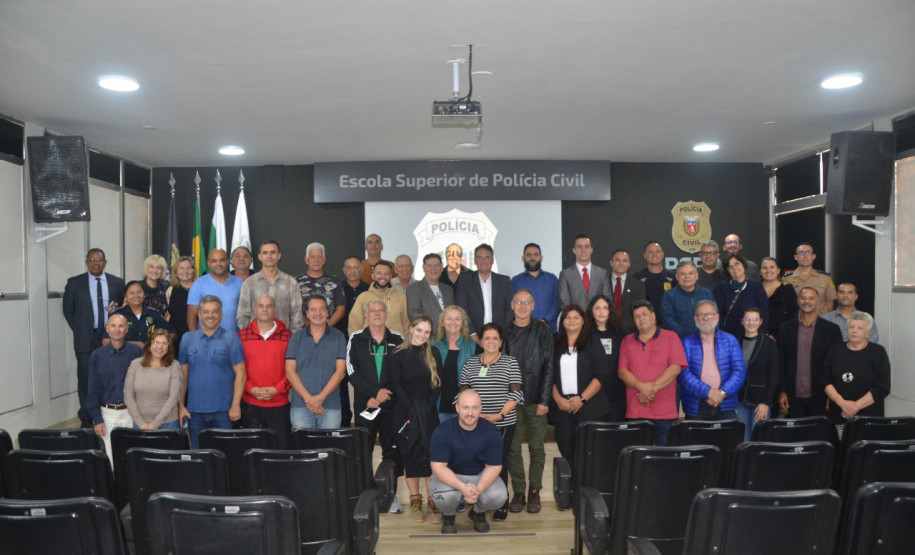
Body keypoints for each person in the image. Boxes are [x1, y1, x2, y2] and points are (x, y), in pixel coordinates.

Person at [458, 323, 523, 522]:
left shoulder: (510, 362)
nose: (491, 342)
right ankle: (479, 503)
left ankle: (501, 503)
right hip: (474, 424)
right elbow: (463, 392)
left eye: (495, 338)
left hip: (502, 423)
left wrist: (498, 416)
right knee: (476, 464)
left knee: (497, 464)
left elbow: (516, 394)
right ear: (481, 341)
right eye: (487, 338)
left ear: (501, 342)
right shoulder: (470, 363)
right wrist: (471, 415)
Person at [346, 298, 405, 512]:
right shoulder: (356, 338)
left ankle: (391, 498)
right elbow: (352, 372)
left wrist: (383, 395)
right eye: (373, 310)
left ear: (387, 315)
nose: (377, 313)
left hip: (391, 406)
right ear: (366, 315)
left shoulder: (398, 338)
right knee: (363, 452)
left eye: (381, 310)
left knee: (392, 453)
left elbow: (401, 372)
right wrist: (373, 393)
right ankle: (366, 499)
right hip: (365, 406)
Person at [430, 388, 509, 534]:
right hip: (451, 476)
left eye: (474, 408)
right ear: (457, 408)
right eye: (466, 407)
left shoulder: (492, 432)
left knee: (499, 496)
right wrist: (462, 487)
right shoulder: (442, 432)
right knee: (445, 497)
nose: (470, 413)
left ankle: (478, 513)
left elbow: (494, 467)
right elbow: (438, 468)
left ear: (480, 409)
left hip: (480, 476)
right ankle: (448, 516)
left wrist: (477, 490)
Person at [503, 289, 553, 514]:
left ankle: (534, 491)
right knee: (512, 449)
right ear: (512, 305)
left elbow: (549, 366)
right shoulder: (504, 331)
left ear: (533, 306)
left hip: (536, 400)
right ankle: (519, 491)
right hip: (511, 401)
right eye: (519, 302)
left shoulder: (543, 330)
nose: (523, 306)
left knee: (536, 448)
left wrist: (544, 399)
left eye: (527, 302)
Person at [63, 247, 126, 427]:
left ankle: (107, 412)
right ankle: (86, 417)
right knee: (85, 377)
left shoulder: (117, 283)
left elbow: (121, 308)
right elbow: (68, 310)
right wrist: (81, 328)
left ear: (104, 263)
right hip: (85, 337)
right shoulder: (74, 283)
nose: (95, 263)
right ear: (86, 263)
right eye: (91, 260)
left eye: (98, 260)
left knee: (111, 374)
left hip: (110, 337)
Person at [389, 316, 443, 523]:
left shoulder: (434, 353)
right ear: (411, 329)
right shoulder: (398, 355)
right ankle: (415, 501)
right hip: (404, 413)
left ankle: (433, 500)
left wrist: (427, 408)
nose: (422, 335)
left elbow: (438, 385)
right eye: (419, 330)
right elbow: (396, 385)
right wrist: (411, 409)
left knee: (431, 457)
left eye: (427, 332)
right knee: (410, 456)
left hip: (428, 413)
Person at [178, 295, 246, 448]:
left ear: (221, 314)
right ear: (199, 314)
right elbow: (183, 375)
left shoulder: (231, 339)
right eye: (206, 312)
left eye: (215, 311)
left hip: (224, 411)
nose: (210, 315)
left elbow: (241, 374)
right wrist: (181, 405)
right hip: (195, 411)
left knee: (224, 457)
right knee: (198, 456)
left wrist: (236, 405)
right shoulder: (187, 339)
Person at [618, 300, 687, 446]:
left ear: (653, 316)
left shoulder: (671, 337)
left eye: (644, 314)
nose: (641, 318)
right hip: (636, 411)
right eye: (636, 316)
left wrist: (651, 389)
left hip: (664, 412)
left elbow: (675, 368)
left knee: (665, 459)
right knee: (638, 459)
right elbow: (622, 372)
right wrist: (642, 387)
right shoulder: (626, 341)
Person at [551, 304, 613, 465]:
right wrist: (558, 399)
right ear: (562, 321)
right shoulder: (554, 341)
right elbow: (548, 374)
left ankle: (586, 490)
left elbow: (602, 374)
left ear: (583, 321)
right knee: (567, 452)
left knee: (590, 455)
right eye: (567, 317)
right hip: (563, 408)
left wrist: (582, 399)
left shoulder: (593, 341)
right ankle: (570, 489)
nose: (571, 321)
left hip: (590, 408)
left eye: (576, 317)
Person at [777, 287, 844, 418]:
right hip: (792, 396)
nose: (807, 301)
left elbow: (837, 365)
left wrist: (834, 395)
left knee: (818, 435)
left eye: (811, 298)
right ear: (798, 301)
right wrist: (782, 391)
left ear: (818, 302)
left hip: (821, 395)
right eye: (803, 298)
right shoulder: (786, 328)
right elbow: (781, 362)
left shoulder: (831, 330)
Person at [238, 294, 293, 448]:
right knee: (253, 451)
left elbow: (293, 370)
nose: (265, 309)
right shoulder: (242, 336)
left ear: (275, 310)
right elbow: (237, 370)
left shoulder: (288, 336)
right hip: (251, 404)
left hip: (279, 404)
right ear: (255, 309)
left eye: (269, 306)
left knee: (280, 449)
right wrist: (250, 389)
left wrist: (278, 389)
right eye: (261, 306)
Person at [86, 313, 143, 460]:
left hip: (131, 414)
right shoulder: (97, 355)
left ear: (126, 330)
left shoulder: (136, 352)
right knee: (110, 460)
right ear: (107, 329)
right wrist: (97, 419)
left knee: (132, 458)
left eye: (121, 326)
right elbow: (92, 389)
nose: (117, 329)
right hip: (107, 415)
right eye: (113, 325)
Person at [285, 295, 347, 429]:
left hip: (330, 407)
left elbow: (340, 372)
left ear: (327, 312)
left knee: (328, 449)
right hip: (301, 406)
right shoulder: (296, 338)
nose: (318, 313)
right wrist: (309, 399)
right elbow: (290, 372)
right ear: (306, 313)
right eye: (313, 309)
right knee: (303, 448)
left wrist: (320, 398)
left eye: (322, 309)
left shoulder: (339, 337)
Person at [679, 300, 746, 421]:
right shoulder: (686, 342)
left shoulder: (730, 340)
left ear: (717, 316)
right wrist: (708, 392)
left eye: (709, 314)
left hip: (725, 404)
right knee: (696, 440)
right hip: (696, 406)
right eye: (701, 315)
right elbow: (684, 374)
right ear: (695, 318)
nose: (705, 318)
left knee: (728, 440)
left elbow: (739, 371)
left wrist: (722, 393)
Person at [823, 311, 891, 427]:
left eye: (860, 328)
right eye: (851, 327)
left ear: (868, 332)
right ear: (847, 329)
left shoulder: (878, 352)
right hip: (838, 413)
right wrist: (842, 403)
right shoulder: (835, 350)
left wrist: (855, 407)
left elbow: (882, 387)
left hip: (869, 418)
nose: (854, 331)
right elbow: (825, 379)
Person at [236, 240, 303, 333]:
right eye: (265, 253)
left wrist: (291, 339)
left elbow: (296, 317)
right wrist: (250, 338)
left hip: (284, 342)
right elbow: (242, 316)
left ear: (279, 256)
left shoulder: (291, 283)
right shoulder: (249, 283)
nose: (269, 256)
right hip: (255, 341)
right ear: (260, 257)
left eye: (273, 252)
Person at [124, 328, 183, 431]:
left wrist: (154, 424)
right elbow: (128, 395)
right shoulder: (135, 364)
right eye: (156, 342)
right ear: (149, 344)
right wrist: (140, 423)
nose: (159, 347)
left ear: (169, 347)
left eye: (164, 343)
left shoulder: (174, 366)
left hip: (168, 424)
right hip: (140, 424)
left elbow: (174, 397)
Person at [736, 307, 778, 441]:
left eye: (755, 319)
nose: (751, 323)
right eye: (747, 319)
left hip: (760, 401)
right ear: (742, 321)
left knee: (758, 439)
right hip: (740, 401)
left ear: (760, 322)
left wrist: (766, 403)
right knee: (742, 440)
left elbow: (774, 375)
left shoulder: (769, 344)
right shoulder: (736, 342)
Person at [455, 244, 514, 339]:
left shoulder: (504, 281)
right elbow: (462, 309)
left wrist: (501, 333)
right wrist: (472, 334)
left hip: (499, 337)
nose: (483, 261)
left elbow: (510, 310)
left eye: (487, 257)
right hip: (473, 338)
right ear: (475, 261)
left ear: (492, 260)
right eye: (479, 257)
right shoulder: (465, 280)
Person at [432, 305, 477, 423]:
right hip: (438, 407)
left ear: (463, 323)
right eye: (449, 318)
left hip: (465, 409)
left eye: (457, 319)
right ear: (442, 322)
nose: (453, 322)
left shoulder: (473, 347)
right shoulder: (433, 346)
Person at [586, 294, 627, 421]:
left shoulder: (621, 333)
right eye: (597, 308)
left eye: (605, 307)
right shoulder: (585, 335)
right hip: (592, 394)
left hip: (616, 393)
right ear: (591, 311)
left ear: (610, 311)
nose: (601, 311)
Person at [103, 280, 176, 347]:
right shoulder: (117, 315)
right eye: (132, 293)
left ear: (144, 295)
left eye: (139, 292)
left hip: (149, 356)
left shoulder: (154, 313)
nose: (136, 296)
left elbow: (172, 333)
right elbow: (105, 341)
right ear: (125, 296)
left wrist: (157, 344)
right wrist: (134, 345)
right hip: (124, 356)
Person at [187, 248, 243, 333]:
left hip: (234, 338)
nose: (218, 264)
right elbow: (191, 317)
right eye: (214, 261)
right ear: (208, 263)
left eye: (222, 260)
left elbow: (247, 314)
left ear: (228, 261)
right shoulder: (198, 284)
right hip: (206, 340)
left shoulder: (240, 283)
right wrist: (196, 339)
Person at [510, 243, 560, 334]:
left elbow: (557, 303)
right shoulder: (515, 281)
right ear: (523, 258)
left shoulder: (552, 279)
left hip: (549, 331)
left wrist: (545, 320)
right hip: (524, 332)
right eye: (528, 255)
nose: (532, 258)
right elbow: (513, 306)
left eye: (536, 255)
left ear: (541, 257)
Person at [350, 261, 410, 336]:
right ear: (373, 276)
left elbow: (407, 325)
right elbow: (354, 323)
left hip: (396, 345)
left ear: (391, 276)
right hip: (368, 344)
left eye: (386, 273)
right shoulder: (363, 297)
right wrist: (358, 343)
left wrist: (403, 345)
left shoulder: (402, 298)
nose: (383, 276)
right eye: (379, 273)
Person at [715, 255, 769, 337]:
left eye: (737, 264)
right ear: (727, 270)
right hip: (728, 336)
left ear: (743, 265)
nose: (734, 268)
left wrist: (761, 335)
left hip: (752, 335)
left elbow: (764, 312)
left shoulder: (756, 286)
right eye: (730, 266)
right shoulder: (722, 287)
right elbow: (718, 314)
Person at [296, 242, 345, 329]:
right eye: (312, 257)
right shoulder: (296, 282)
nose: (316, 260)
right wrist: (309, 327)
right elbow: (294, 310)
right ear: (306, 260)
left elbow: (340, 309)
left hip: (330, 332)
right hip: (304, 332)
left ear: (324, 260)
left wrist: (326, 327)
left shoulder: (334, 281)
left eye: (319, 257)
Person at [661, 261, 715, 338]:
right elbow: (667, 319)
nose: (687, 277)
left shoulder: (706, 293)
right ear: (677, 276)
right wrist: (686, 336)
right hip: (679, 341)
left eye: (690, 273)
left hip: (705, 340)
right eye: (683, 274)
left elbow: (714, 317)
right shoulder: (669, 295)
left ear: (696, 275)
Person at [781, 242, 836, 316]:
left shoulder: (825, 278)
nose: (805, 256)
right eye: (801, 253)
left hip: (819, 322)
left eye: (808, 253)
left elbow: (829, 305)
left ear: (814, 256)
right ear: (796, 257)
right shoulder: (786, 279)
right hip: (795, 322)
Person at [558, 234, 611, 310]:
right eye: (579, 247)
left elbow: (607, 299)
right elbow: (564, 301)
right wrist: (576, 317)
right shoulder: (565, 274)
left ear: (591, 250)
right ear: (574, 250)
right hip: (575, 320)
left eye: (586, 246)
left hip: (597, 319)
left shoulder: (602, 274)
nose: (583, 250)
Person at [407, 253, 455, 334]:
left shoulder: (448, 289)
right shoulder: (414, 289)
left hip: (449, 337)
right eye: (429, 266)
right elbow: (414, 315)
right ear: (424, 268)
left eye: (436, 265)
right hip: (427, 338)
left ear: (441, 268)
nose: (433, 269)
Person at [633, 241, 677, 325]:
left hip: (668, 324)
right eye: (650, 252)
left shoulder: (673, 277)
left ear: (662, 254)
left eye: (657, 251)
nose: (654, 254)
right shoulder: (637, 278)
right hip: (645, 324)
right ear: (645, 256)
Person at [759, 257, 797, 342]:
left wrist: (776, 335)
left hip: (781, 338)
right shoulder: (754, 289)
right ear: (760, 271)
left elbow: (793, 316)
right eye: (764, 268)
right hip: (757, 337)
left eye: (772, 267)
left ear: (778, 270)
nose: (768, 270)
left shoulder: (788, 290)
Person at [608, 249, 646, 334]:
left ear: (629, 264)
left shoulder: (637, 284)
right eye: (617, 260)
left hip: (630, 332)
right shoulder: (603, 282)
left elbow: (640, 309)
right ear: (611, 262)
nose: (621, 263)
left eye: (624, 260)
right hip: (607, 330)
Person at [166, 255, 196, 349]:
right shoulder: (170, 290)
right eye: (181, 268)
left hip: (197, 334)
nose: (185, 271)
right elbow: (168, 315)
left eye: (188, 268)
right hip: (177, 338)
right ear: (176, 271)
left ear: (193, 270)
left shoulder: (200, 288)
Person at [337, 255, 370, 336]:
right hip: (341, 335)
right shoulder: (337, 289)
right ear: (344, 270)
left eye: (356, 267)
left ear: (361, 269)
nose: (352, 271)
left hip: (365, 335)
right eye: (349, 268)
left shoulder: (369, 290)